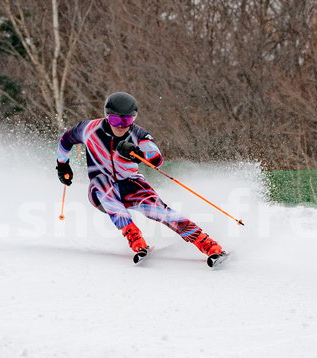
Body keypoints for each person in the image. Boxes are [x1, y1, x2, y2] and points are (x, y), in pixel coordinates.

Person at [56, 91, 224, 263]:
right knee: (102, 183)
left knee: (161, 212)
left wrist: (137, 153)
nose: (121, 126)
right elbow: (66, 140)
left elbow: (156, 158)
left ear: (133, 119)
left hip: (131, 184)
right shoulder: (89, 129)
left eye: (126, 121)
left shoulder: (138, 134)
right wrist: (62, 165)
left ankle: (208, 245)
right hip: (101, 190)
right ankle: (135, 238)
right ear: (107, 117)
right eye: (115, 120)